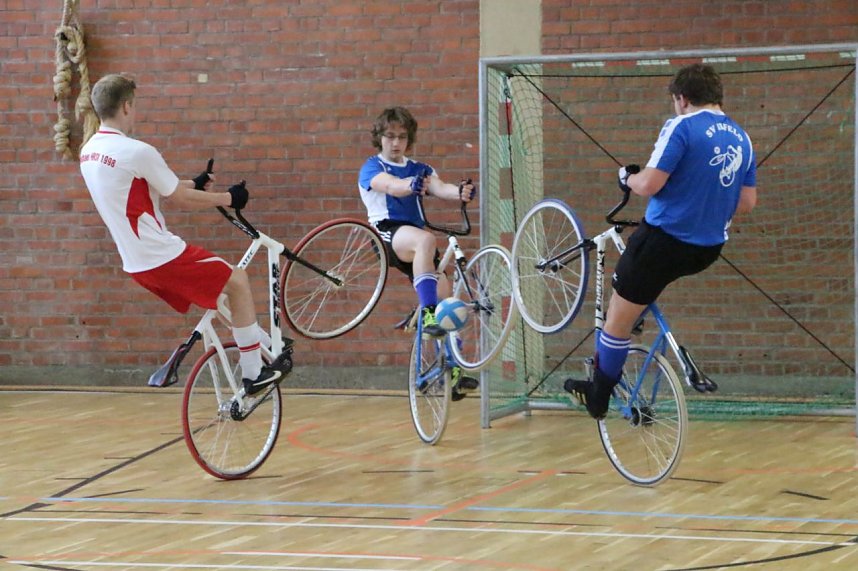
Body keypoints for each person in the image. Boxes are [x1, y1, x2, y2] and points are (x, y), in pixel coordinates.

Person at [565, 63, 758, 419]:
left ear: (682, 99)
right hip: (708, 249)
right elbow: (746, 202)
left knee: (617, 322)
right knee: (641, 287)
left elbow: (650, 184)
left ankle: (598, 395)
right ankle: (636, 312)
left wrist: (628, 178)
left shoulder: (682, 126)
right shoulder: (741, 136)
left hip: (662, 243)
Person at [79, 73, 287, 396]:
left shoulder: (89, 151)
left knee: (223, 296)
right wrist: (228, 199)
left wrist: (194, 181)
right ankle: (253, 374)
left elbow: (146, 189)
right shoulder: (137, 150)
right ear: (126, 106)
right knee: (238, 281)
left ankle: (260, 346)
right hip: (162, 256)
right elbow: (178, 198)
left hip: (136, 264)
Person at [357, 106, 478, 401]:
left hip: (417, 241)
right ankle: (426, 315)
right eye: (389, 136)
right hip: (387, 233)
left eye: (401, 137)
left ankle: (451, 369)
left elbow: (439, 187)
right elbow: (391, 186)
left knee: (449, 300)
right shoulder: (372, 167)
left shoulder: (420, 167)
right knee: (426, 240)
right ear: (380, 138)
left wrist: (459, 192)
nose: (395, 143)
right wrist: (409, 185)